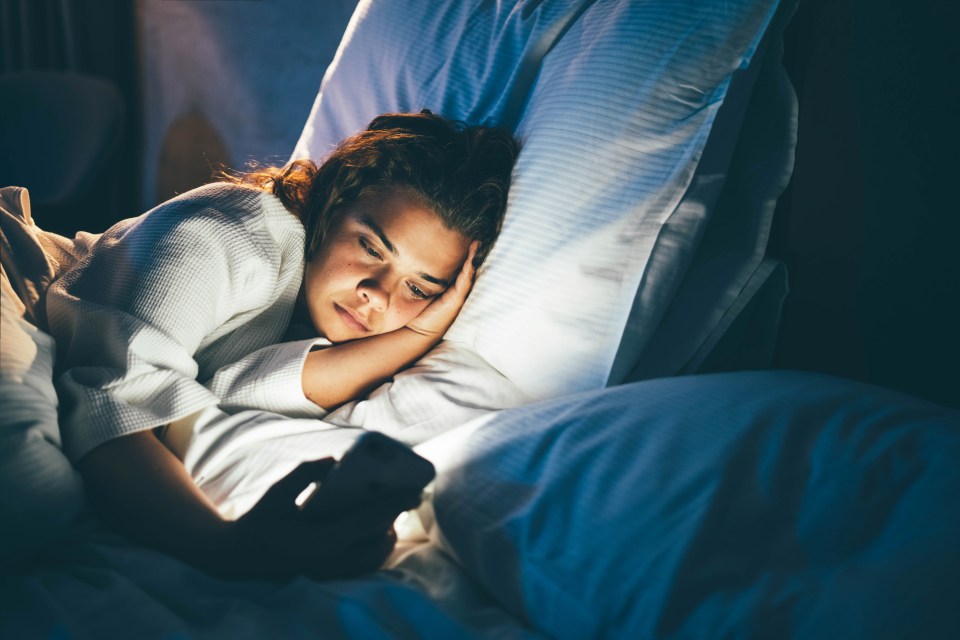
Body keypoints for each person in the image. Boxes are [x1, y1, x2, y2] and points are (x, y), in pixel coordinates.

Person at [43, 111, 519, 580]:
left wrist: (418, 334)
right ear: (332, 203)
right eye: (372, 248)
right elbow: (104, 400)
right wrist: (228, 548)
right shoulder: (234, 229)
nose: (377, 293)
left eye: (418, 288)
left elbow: (233, 394)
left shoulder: (314, 315)